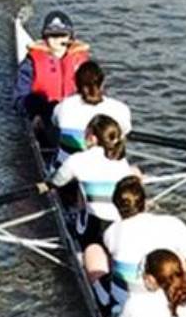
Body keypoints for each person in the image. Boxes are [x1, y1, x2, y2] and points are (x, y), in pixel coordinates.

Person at [49, 115, 136, 297]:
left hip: (94, 227)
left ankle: (99, 289)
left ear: (92, 137)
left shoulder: (78, 159)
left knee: (71, 192)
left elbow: (57, 181)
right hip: (121, 224)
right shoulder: (122, 162)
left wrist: (49, 184)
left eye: (85, 133)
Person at [101, 175, 186, 309]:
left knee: (94, 251)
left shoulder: (111, 231)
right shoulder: (173, 223)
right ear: (145, 202)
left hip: (127, 302)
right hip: (171, 295)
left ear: (116, 206)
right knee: (182, 259)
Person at [15, 10, 91, 140]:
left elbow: (93, 92)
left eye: (62, 35)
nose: (58, 40)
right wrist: (34, 114)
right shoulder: (30, 63)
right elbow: (19, 99)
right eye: (53, 36)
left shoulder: (82, 62)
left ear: (70, 38)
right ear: (45, 38)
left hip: (76, 117)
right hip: (46, 117)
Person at [51, 60, 131, 166]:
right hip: (108, 168)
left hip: (67, 167)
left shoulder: (63, 107)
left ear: (76, 83)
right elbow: (125, 132)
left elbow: (55, 123)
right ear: (102, 83)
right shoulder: (121, 109)